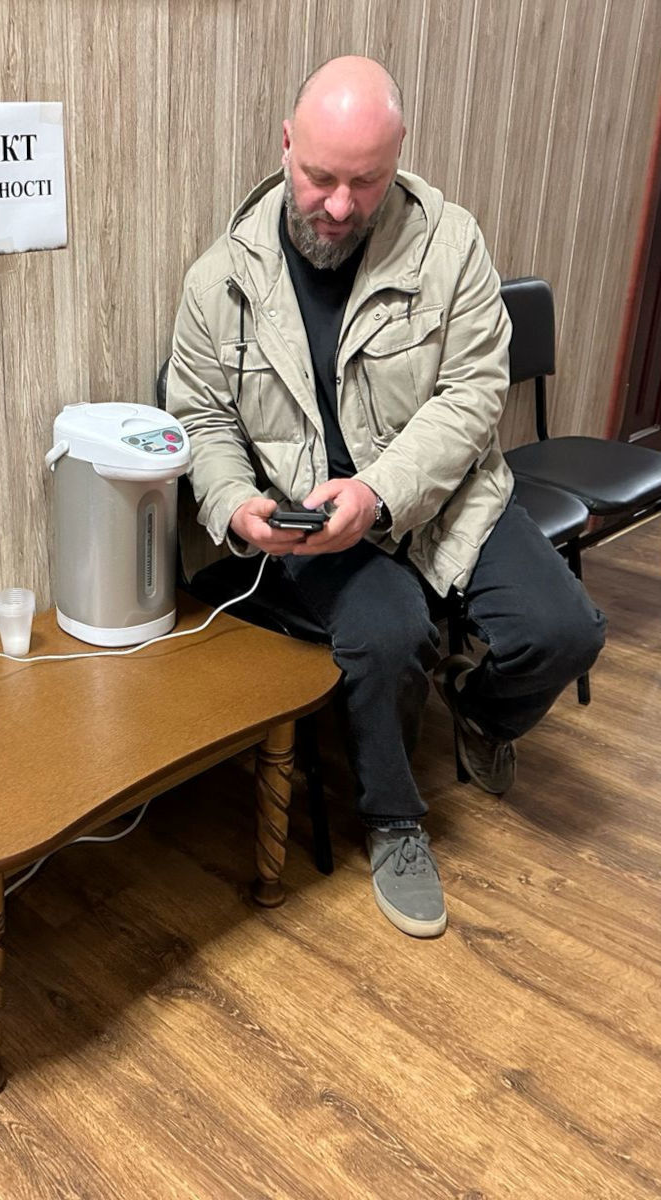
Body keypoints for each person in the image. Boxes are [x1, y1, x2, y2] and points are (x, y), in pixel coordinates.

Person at [166, 55, 605, 938]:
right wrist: (237, 506)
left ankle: (480, 714)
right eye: (319, 176)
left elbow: (474, 395)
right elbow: (201, 419)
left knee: (564, 634)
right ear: (285, 145)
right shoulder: (221, 280)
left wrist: (378, 491)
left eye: (365, 182)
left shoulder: (451, 245)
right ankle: (395, 821)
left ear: (398, 160)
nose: (338, 205)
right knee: (390, 632)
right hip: (312, 524)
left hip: (446, 498)